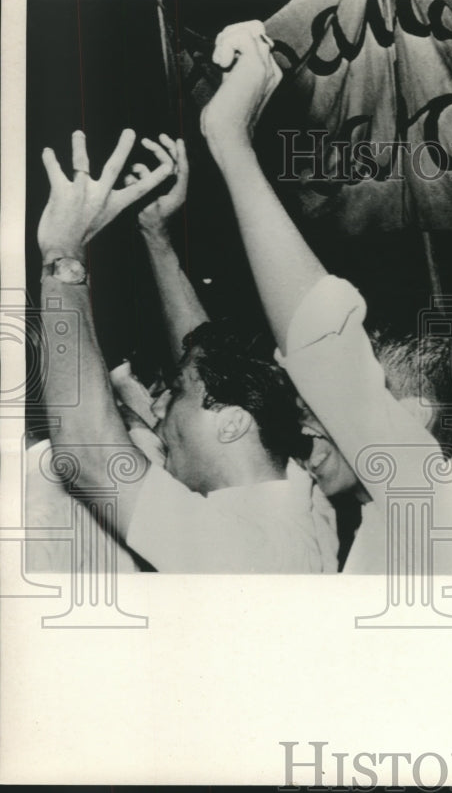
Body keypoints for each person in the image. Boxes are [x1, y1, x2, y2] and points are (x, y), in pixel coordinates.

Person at [199, 21, 452, 576]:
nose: (309, 434)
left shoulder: (451, 510)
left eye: (320, 412)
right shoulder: (381, 523)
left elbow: (323, 344)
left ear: (416, 416)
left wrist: (230, 141)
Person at [35, 129, 337, 573]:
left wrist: (63, 253)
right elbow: (206, 361)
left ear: (234, 422)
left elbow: (89, 456)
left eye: (173, 394)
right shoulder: (297, 497)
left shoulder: (248, 549)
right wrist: (155, 233)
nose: (158, 406)